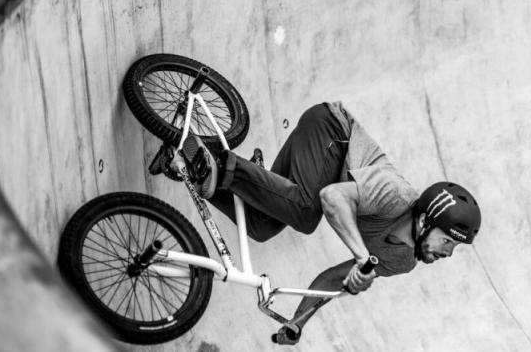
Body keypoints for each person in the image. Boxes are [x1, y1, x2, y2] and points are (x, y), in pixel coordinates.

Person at [171, 102, 481, 345]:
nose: (448, 253)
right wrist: (362, 258)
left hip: (319, 167)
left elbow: (332, 280)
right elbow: (332, 198)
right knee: (306, 215)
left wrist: (297, 323)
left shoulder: (402, 261)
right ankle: (225, 164)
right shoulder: (395, 196)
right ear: (426, 219)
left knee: (260, 227)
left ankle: (189, 165)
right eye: (448, 241)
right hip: (331, 129)